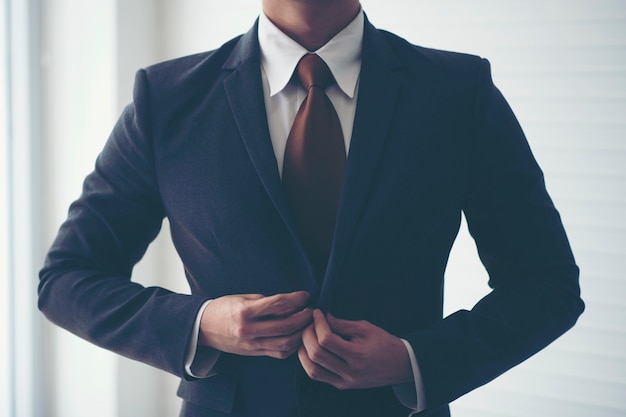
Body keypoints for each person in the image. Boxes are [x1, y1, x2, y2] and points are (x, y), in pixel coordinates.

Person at [38, 1, 584, 416]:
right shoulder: (168, 99)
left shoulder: (456, 94)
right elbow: (66, 280)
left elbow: (547, 285)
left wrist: (414, 360)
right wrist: (202, 325)